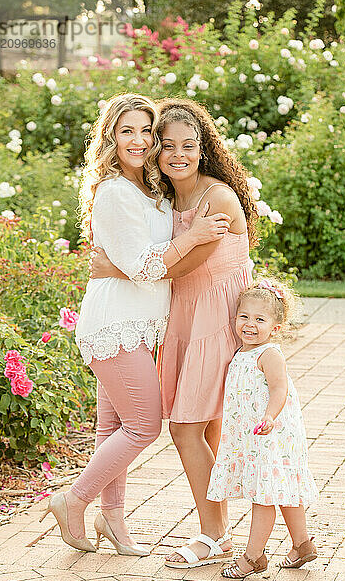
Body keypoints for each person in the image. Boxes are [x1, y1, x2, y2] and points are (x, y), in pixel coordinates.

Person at [39, 93, 230, 555]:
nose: (140, 141)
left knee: (113, 427)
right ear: (111, 137)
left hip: (141, 324)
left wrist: (119, 264)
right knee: (144, 425)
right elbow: (146, 265)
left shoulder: (151, 190)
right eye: (128, 131)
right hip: (116, 323)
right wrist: (196, 236)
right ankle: (73, 499)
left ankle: (114, 525)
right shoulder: (115, 193)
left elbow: (133, 261)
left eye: (148, 132)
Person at [91, 99, 258, 567]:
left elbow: (185, 263)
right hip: (184, 316)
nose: (176, 154)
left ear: (203, 148)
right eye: (167, 146)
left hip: (216, 318)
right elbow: (158, 254)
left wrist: (119, 269)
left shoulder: (217, 198)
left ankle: (212, 534)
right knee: (204, 428)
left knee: (187, 428)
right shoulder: (168, 199)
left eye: (188, 145)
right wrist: (129, 263)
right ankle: (218, 533)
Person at [206, 277, 319, 579]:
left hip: (271, 433)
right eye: (244, 316)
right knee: (280, 490)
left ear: (275, 328)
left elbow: (279, 389)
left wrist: (270, 416)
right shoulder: (241, 353)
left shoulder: (268, 354)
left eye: (260, 319)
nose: (250, 324)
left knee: (265, 494)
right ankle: (302, 544)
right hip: (253, 436)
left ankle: (253, 557)